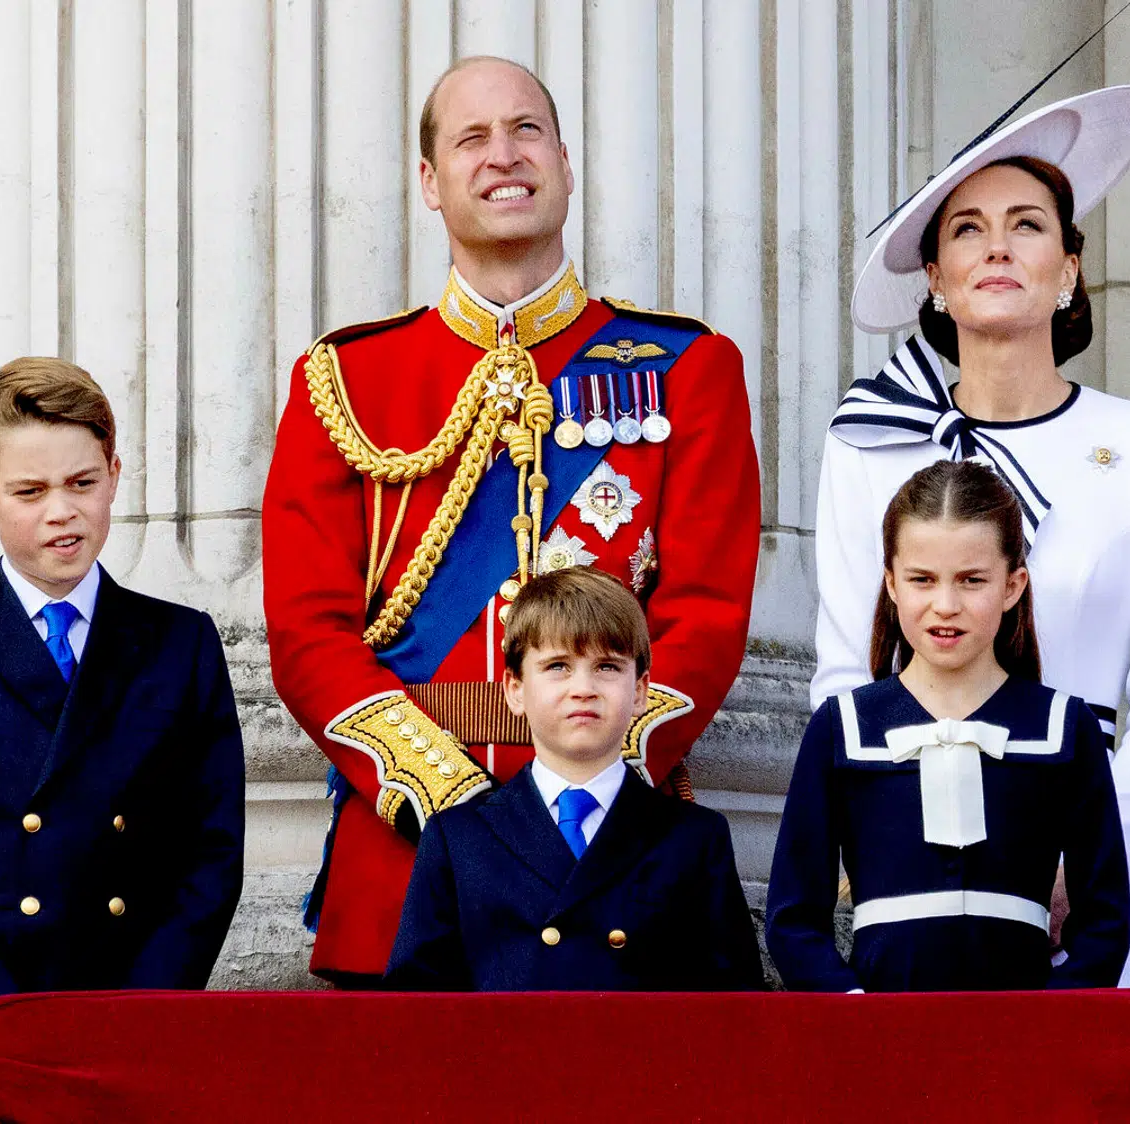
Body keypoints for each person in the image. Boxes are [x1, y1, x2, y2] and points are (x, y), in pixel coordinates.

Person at [263, 55, 760, 983]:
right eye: (473, 138)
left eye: (527, 130)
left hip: (615, 857)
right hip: (405, 854)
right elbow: (306, 630)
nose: (505, 156)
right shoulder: (345, 380)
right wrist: (443, 791)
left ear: (565, 165)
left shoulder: (689, 367)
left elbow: (707, 610)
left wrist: (591, 772)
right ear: (430, 181)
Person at [813, 86, 1130, 987]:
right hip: (916, 862)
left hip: (1091, 863)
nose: (997, 245)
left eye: (1026, 224)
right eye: (967, 230)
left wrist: (1091, 857)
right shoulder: (870, 444)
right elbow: (842, 674)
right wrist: (887, 838)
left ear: (1068, 267)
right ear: (937, 282)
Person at [0, 358, 246, 998]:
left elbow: (210, 849)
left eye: (81, 482)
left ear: (114, 477)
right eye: (30, 491)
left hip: (133, 1009)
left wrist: (147, 1005)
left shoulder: (182, 644)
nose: (62, 512)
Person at [770, 460, 1129, 991]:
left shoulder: (1064, 725)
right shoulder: (842, 727)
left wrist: (1053, 1020)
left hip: (1025, 1042)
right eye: (922, 580)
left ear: (1012, 585)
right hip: (879, 1037)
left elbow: (1105, 920)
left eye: (971, 580)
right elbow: (794, 918)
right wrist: (849, 1007)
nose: (946, 605)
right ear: (891, 583)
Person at [386, 567, 764, 990]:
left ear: (640, 691)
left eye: (606, 667)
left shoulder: (695, 838)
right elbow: (416, 1011)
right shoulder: (458, 840)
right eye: (558, 666)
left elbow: (735, 1008)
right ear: (514, 690)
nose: (583, 688)